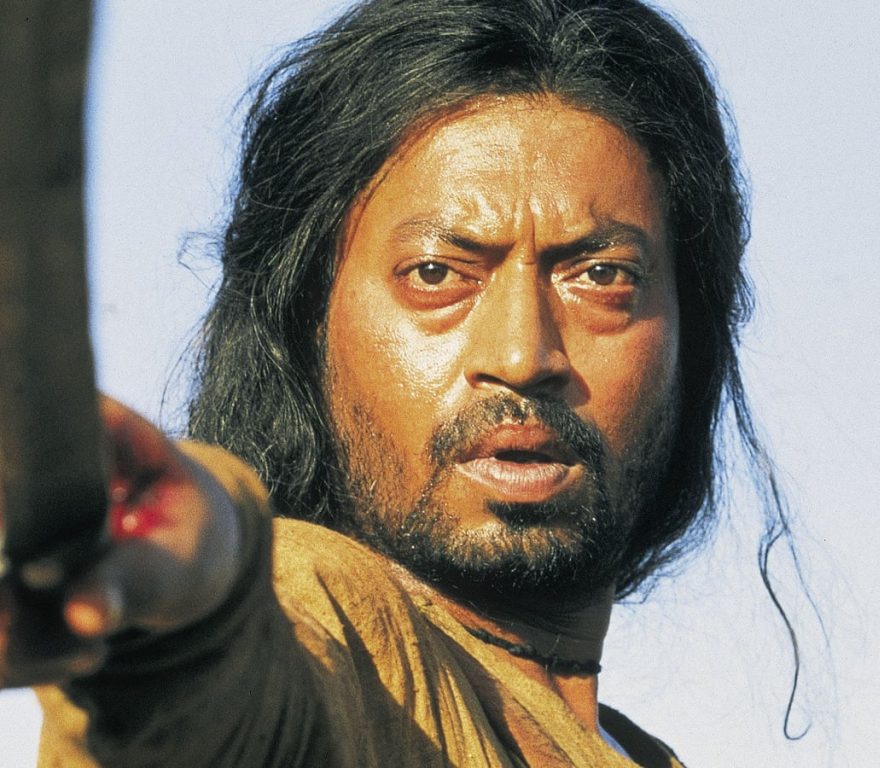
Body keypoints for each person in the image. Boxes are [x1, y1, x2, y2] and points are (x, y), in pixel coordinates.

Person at [1, 0, 789, 764]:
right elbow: (224, 697)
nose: (523, 356)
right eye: (437, 274)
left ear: (690, 331)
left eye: (602, 275)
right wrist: (192, 608)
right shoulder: (333, 623)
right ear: (309, 326)